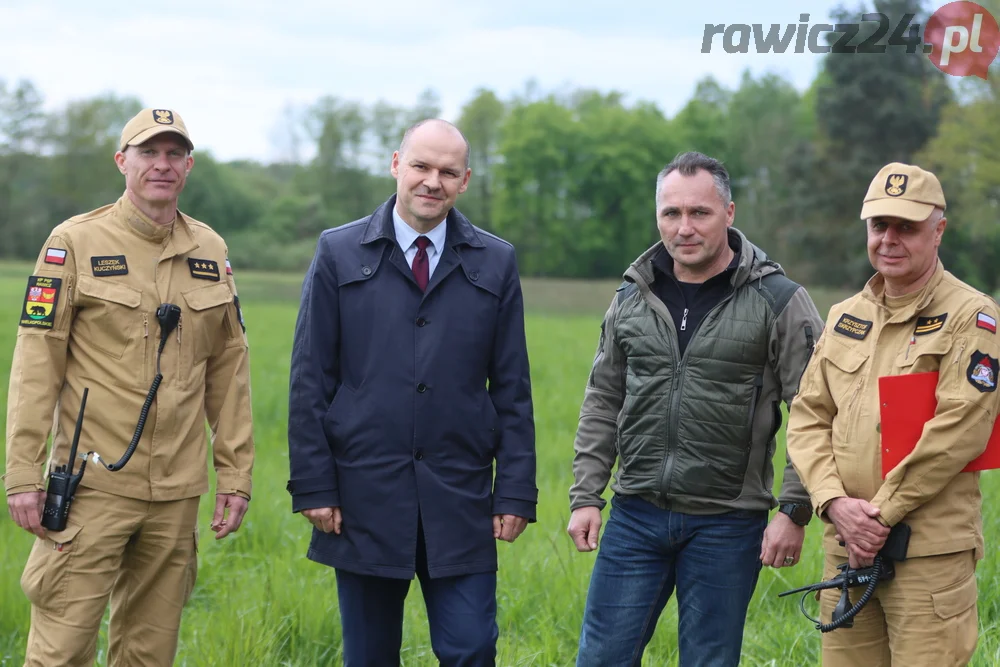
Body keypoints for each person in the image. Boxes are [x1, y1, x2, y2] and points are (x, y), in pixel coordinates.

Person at [4, 108, 254, 667]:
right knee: (60, 653)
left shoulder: (211, 251)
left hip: (176, 493)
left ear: (188, 166)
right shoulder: (73, 242)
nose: (161, 165)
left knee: (149, 655)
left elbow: (230, 369)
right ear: (123, 161)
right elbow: (35, 363)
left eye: (173, 154)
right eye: (148, 152)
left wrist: (235, 474)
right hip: (91, 491)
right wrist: (23, 472)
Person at [286, 118, 536, 666]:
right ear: (396, 164)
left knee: (470, 647)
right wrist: (313, 485)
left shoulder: (495, 261)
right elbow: (310, 378)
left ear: (465, 180)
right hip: (362, 495)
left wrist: (515, 491)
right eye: (421, 166)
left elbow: (513, 387)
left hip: (461, 496)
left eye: (448, 172)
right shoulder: (337, 251)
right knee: (370, 655)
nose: (432, 181)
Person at [567, 151, 823, 666]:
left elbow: (817, 412)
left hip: (727, 523)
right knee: (601, 658)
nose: (684, 228)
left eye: (699, 213)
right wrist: (585, 495)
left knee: (709, 661)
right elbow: (603, 397)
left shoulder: (779, 299)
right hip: (635, 514)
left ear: (729, 213)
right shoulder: (632, 295)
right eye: (671, 213)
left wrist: (794, 510)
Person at [786, 162, 999, 666]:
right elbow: (808, 417)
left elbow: (960, 430)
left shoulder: (973, 315)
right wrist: (834, 503)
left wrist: (876, 518)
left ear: (938, 229)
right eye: (879, 225)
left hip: (926, 559)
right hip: (846, 549)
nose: (889, 239)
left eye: (907, 226)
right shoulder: (845, 316)